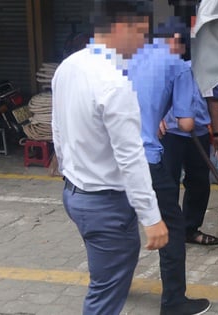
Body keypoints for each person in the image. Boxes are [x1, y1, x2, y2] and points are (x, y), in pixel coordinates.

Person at [51, 1, 169, 314]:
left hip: (76, 193)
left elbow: (57, 128)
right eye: (141, 34)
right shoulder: (115, 83)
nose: (143, 44)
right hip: (106, 205)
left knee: (104, 278)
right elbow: (131, 157)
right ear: (121, 27)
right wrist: (151, 217)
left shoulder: (69, 66)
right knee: (105, 295)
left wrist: (69, 169)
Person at [127, 23, 211, 315]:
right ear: (179, 42)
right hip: (145, 157)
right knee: (171, 227)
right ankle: (174, 301)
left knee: (122, 222)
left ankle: (113, 283)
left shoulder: (130, 57)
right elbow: (187, 123)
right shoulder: (179, 66)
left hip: (112, 157)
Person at [158, 25, 218, 246]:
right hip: (171, 133)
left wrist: (217, 133)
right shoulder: (164, 66)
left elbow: (212, 100)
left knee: (199, 184)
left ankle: (190, 228)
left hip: (198, 132)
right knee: (168, 182)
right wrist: (155, 119)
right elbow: (151, 96)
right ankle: (167, 230)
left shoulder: (207, 68)